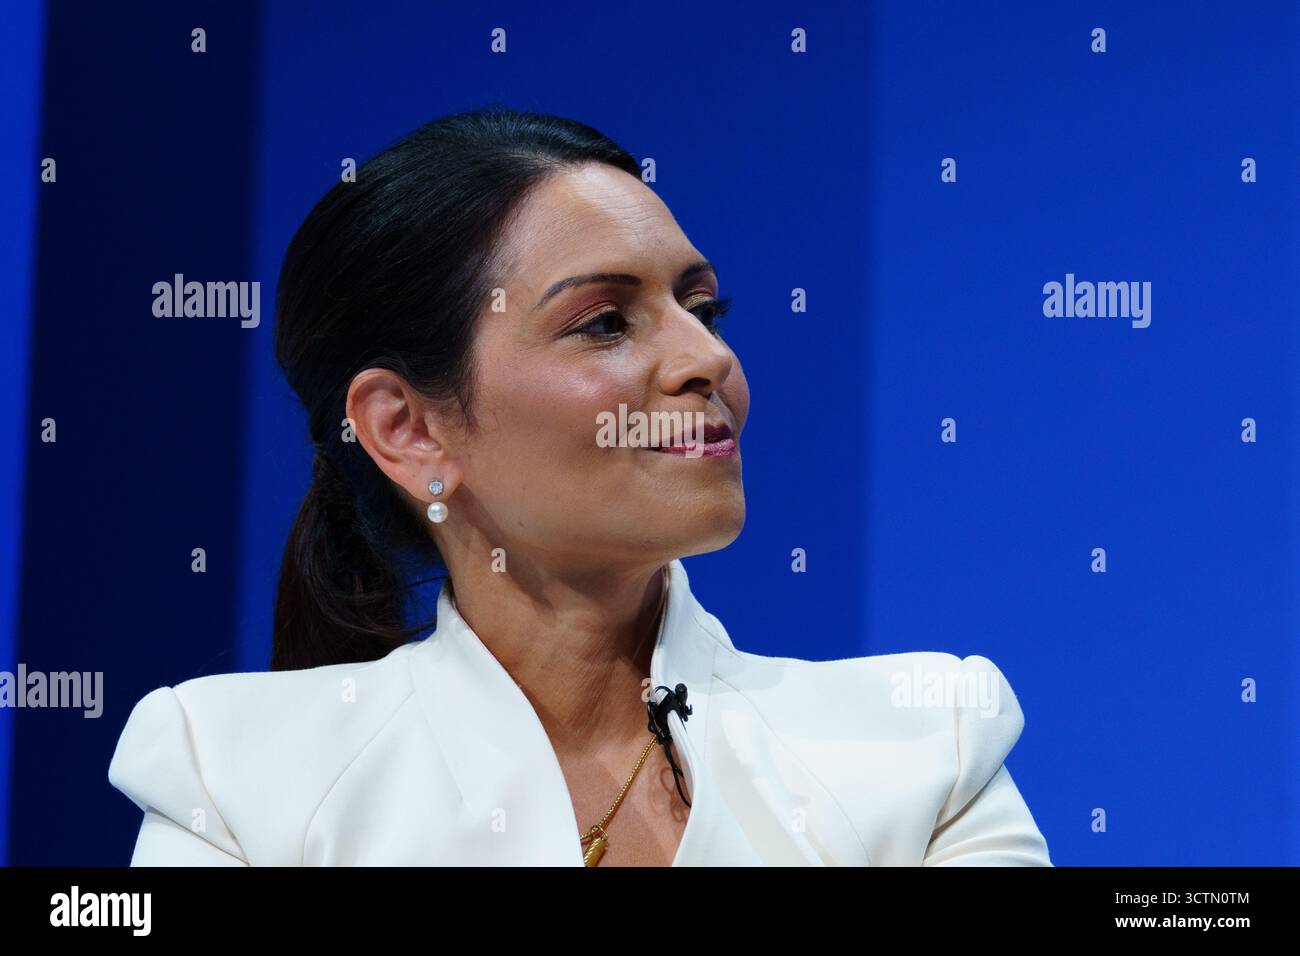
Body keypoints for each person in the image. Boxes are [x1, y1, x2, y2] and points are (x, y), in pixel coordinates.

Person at [108, 107, 1052, 866]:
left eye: (703, 307)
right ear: (407, 428)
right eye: (605, 323)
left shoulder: (923, 748)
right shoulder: (232, 779)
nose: (708, 358)